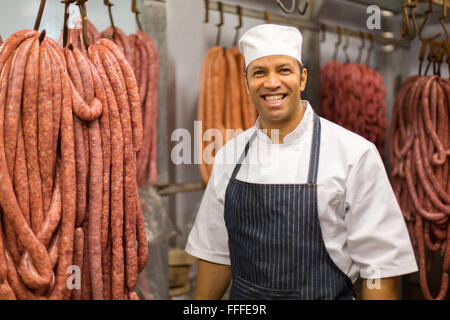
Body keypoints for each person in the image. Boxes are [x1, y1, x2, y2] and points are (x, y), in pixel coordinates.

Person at [185, 24, 418, 300]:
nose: (272, 83)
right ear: (246, 82)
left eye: (284, 70)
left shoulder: (355, 154)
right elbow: (215, 253)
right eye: (259, 72)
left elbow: (380, 269)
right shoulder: (229, 155)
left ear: (303, 78)